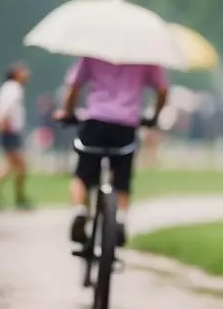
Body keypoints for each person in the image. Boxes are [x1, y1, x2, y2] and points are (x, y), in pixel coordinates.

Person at [57, 56, 168, 250]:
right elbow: (162, 89)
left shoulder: (92, 55)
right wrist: (154, 116)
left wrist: (68, 112)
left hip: (95, 121)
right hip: (126, 124)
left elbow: (73, 86)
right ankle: (120, 219)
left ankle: (79, 211)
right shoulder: (144, 57)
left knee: (82, 175)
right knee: (122, 177)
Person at [0, 64, 31, 209]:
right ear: (16, 74)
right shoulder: (14, 88)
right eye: (23, 71)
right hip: (11, 131)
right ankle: (18, 198)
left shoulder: (8, 87)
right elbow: (6, 108)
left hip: (10, 131)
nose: (27, 73)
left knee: (11, 165)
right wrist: (3, 122)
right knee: (22, 166)